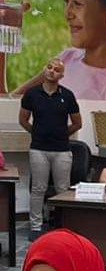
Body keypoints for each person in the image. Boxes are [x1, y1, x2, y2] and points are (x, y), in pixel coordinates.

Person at [18, 58, 82, 240]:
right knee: (38, 188)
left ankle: (62, 226)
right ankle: (36, 227)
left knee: (63, 190)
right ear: (44, 69)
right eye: (49, 67)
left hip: (62, 150)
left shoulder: (67, 95)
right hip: (38, 149)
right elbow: (23, 120)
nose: (52, 71)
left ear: (62, 75)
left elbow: (77, 123)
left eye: (57, 69)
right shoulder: (31, 94)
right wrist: (36, 132)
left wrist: (61, 134)